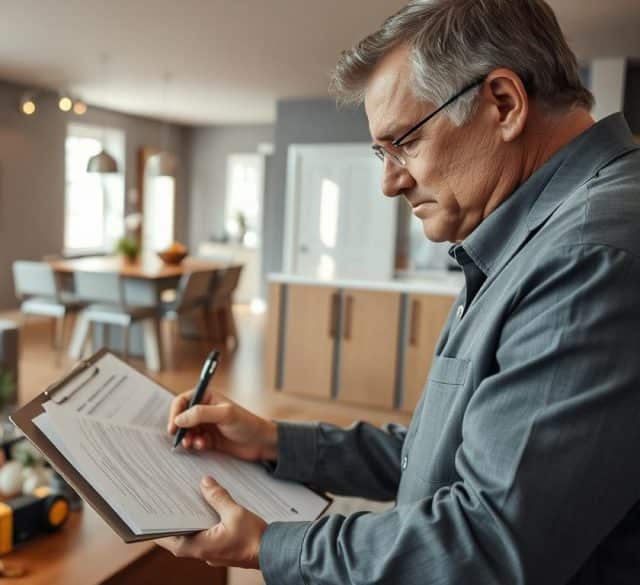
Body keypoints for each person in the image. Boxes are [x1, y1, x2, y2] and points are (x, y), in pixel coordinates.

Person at [156, 1, 640, 583]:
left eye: (403, 144)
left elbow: (487, 541)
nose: (390, 182)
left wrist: (274, 547)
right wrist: (273, 440)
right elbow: (446, 458)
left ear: (504, 104)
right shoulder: (543, 235)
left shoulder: (588, 255)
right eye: (380, 154)